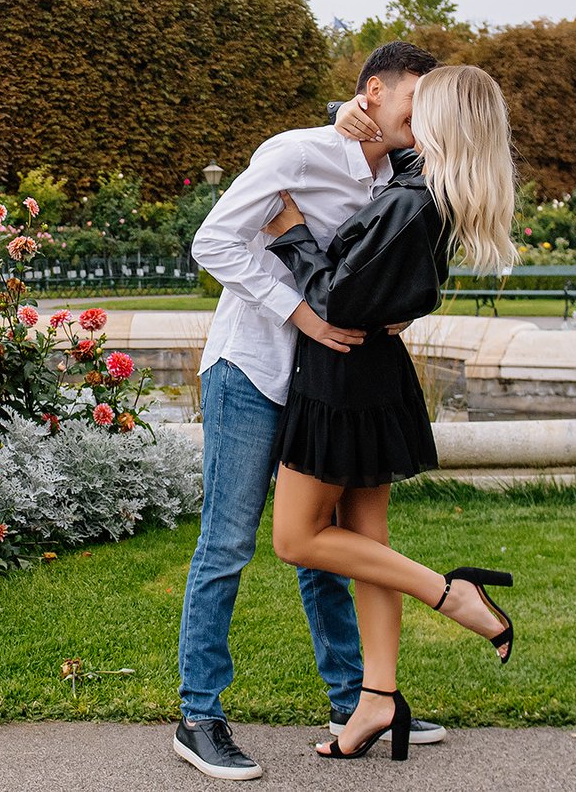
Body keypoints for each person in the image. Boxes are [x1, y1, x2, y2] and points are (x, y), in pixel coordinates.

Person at [175, 42, 446, 781]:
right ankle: (198, 713)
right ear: (372, 93)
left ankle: (354, 700)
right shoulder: (294, 154)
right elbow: (214, 241)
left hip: (323, 385)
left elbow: (379, 272)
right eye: (414, 106)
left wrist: (396, 312)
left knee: (322, 547)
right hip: (251, 367)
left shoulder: (401, 173)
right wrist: (300, 312)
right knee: (228, 543)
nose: (424, 123)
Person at [262, 63, 518, 763]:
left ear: (441, 123)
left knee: (295, 538)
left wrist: (289, 230)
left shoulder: (413, 201)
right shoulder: (430, 181)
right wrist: (346, 108)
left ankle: (453, 592)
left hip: (341, 376)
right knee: (367, 540)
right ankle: (378, 698)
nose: (408, 115)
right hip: (369, 375)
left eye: (421, 107)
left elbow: (336, 299)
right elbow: (380, 141)